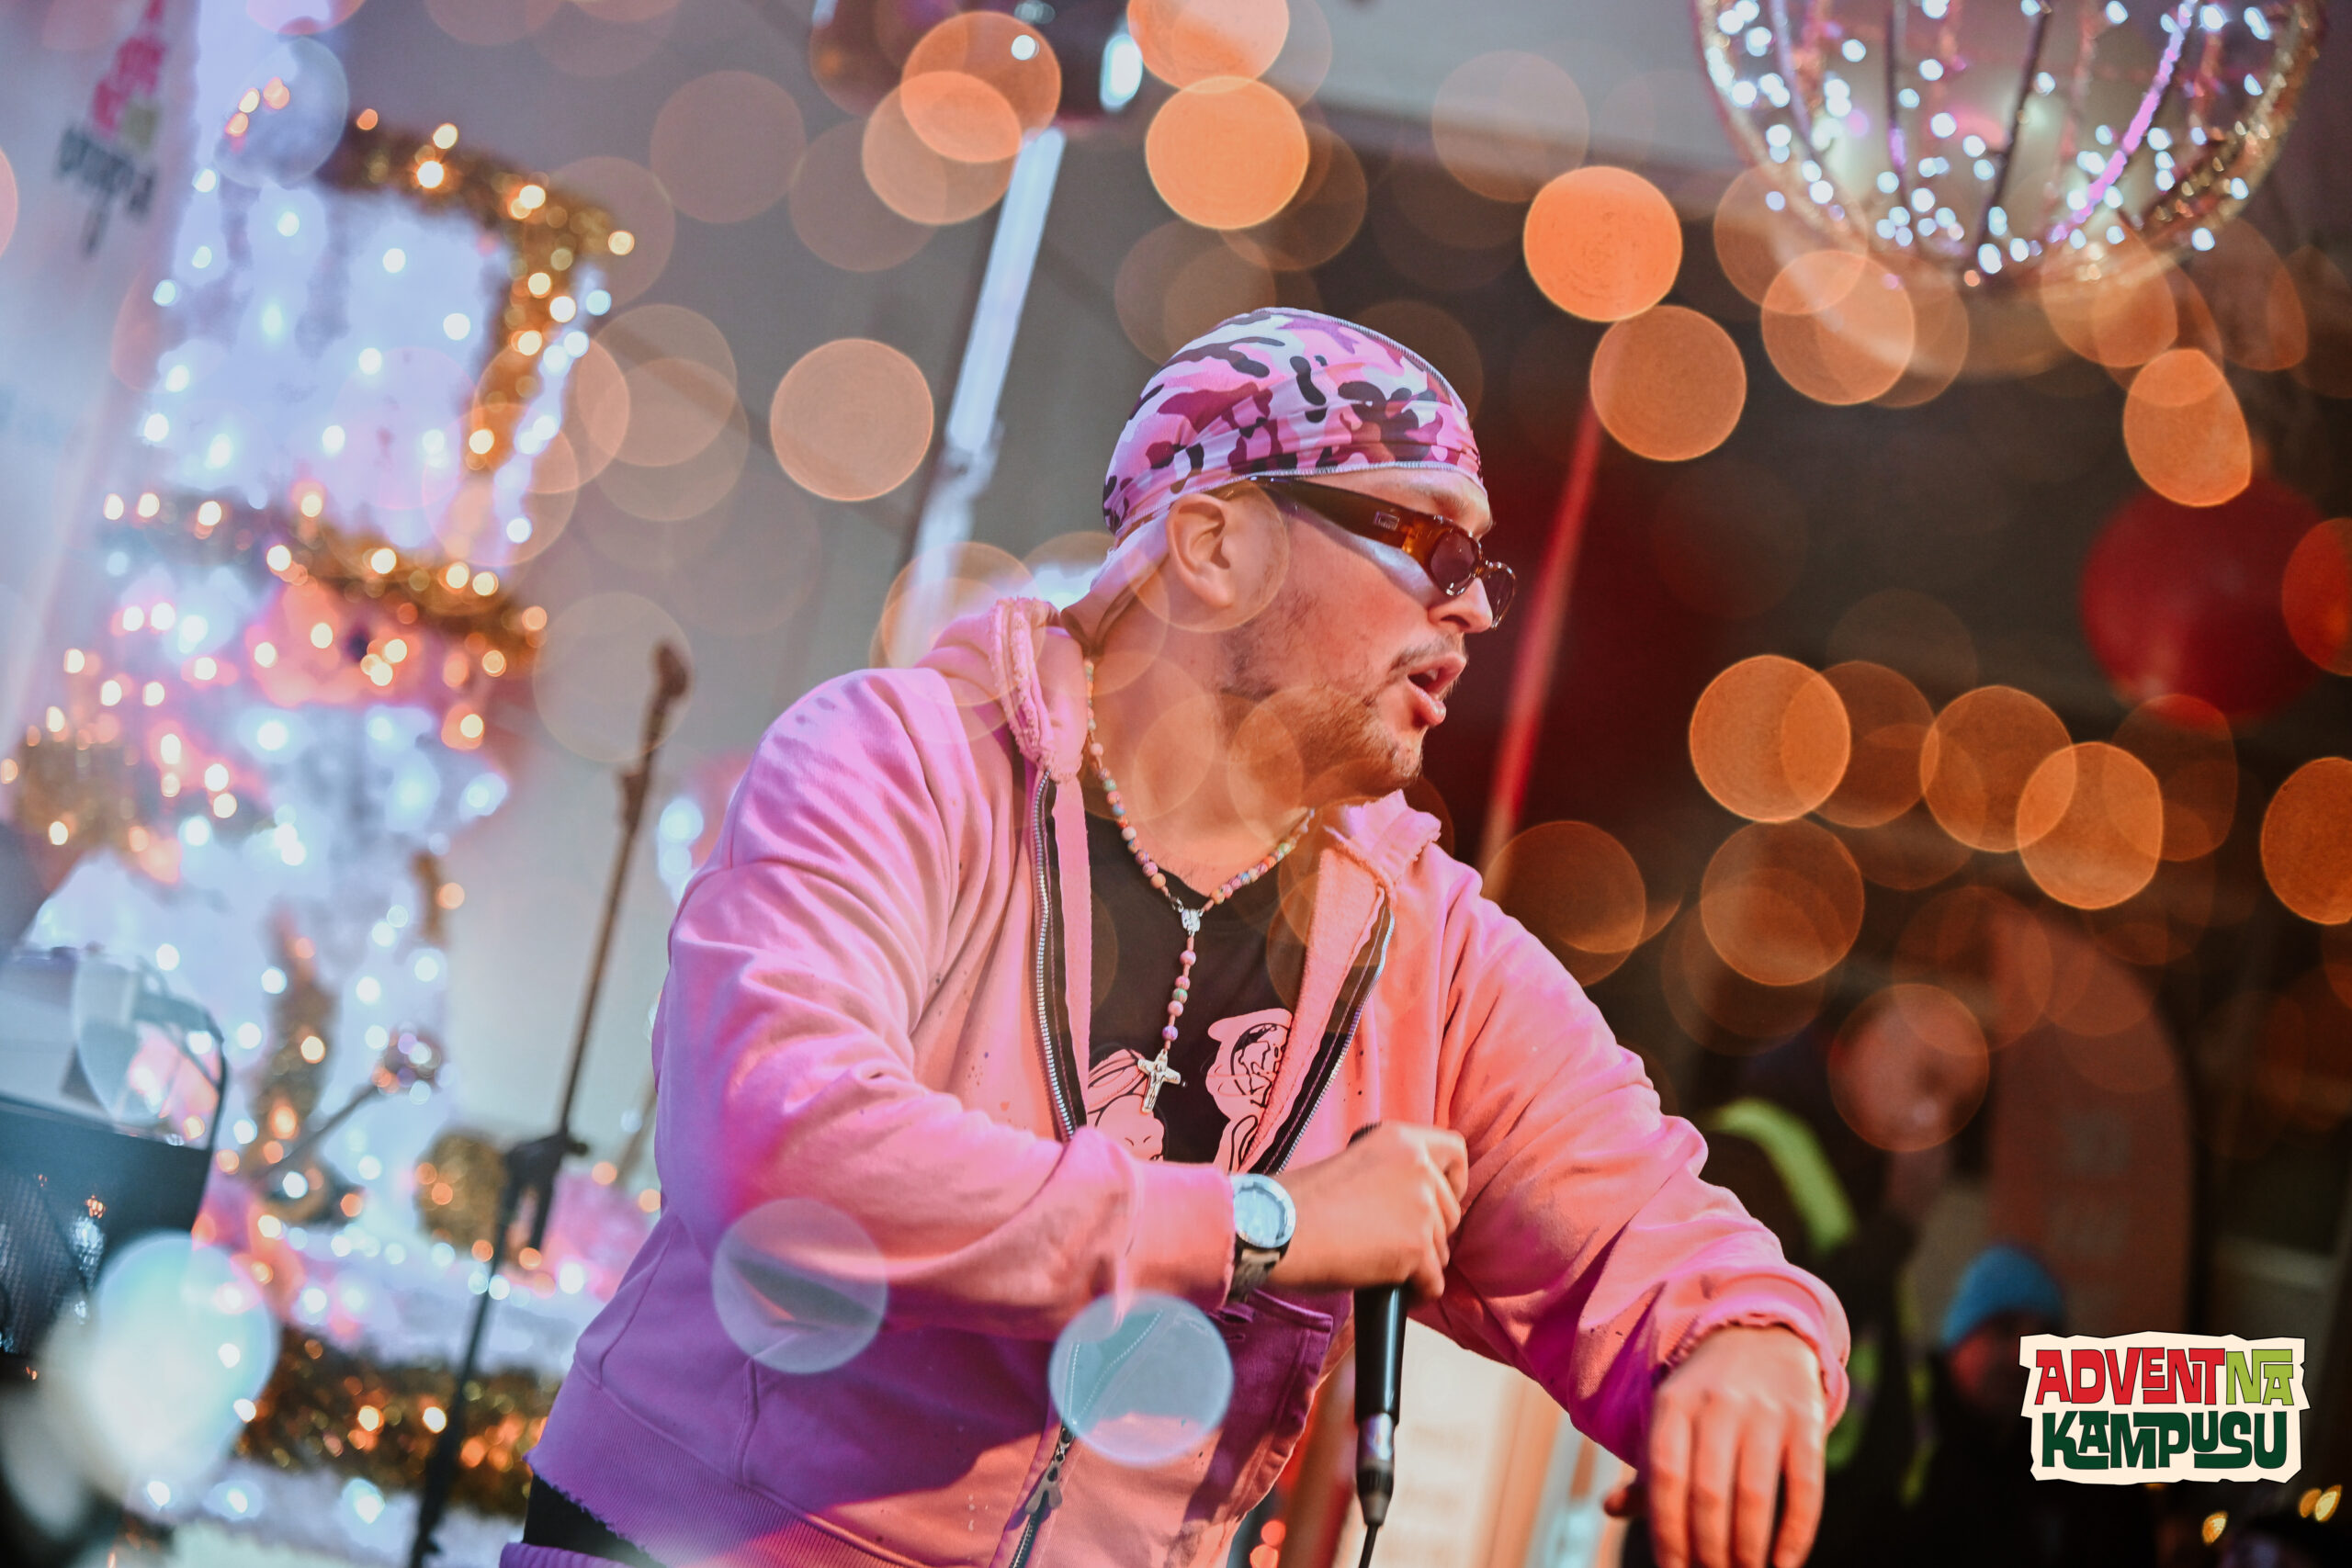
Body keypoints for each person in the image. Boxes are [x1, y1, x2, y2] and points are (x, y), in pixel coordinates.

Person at [511, 310, 1849, 1568]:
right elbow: (782, 1150)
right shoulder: (900, 761)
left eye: (1481, 567)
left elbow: (1651, 1234)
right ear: (1213, 547)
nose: (1475, 609)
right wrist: (1264, 1224)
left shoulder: (1429, 954)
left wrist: (1748, 1347)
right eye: (1429, 546)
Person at [1900, 1243, 2155, 1567]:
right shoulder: (1898, 1444)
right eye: (2004, 1330)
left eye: (2043, 1339)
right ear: (1959, 1338)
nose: (2022, 1356)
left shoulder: (2074, 1467)